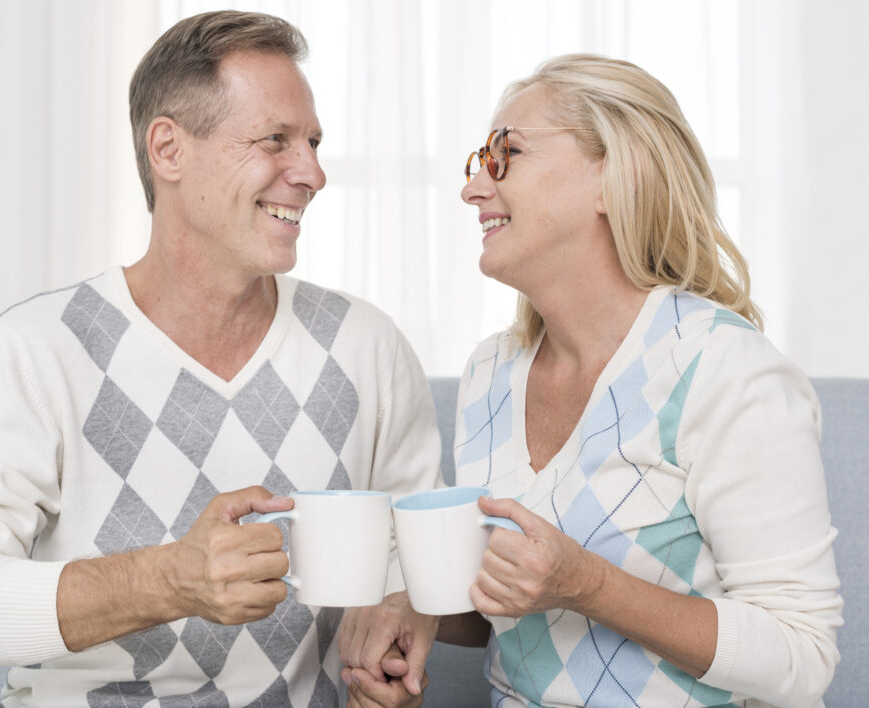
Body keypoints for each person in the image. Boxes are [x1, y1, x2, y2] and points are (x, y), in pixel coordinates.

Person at [0, 11, 440, 707]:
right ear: (169, 149)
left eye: (311, 142)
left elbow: (424, 563)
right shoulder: (40, 348)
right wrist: (169, 580)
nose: (312, 173)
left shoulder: (366, 347)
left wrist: (399, 625)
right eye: (275, 140)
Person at [342, 53, 843, 707]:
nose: (473, 188)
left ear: (612, 177)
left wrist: (589, 585)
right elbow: (512, 604)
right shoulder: (491, 372)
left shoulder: (723, 370)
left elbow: (802, 653)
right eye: (477, 163)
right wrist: (413, 611)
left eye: (507, 155)